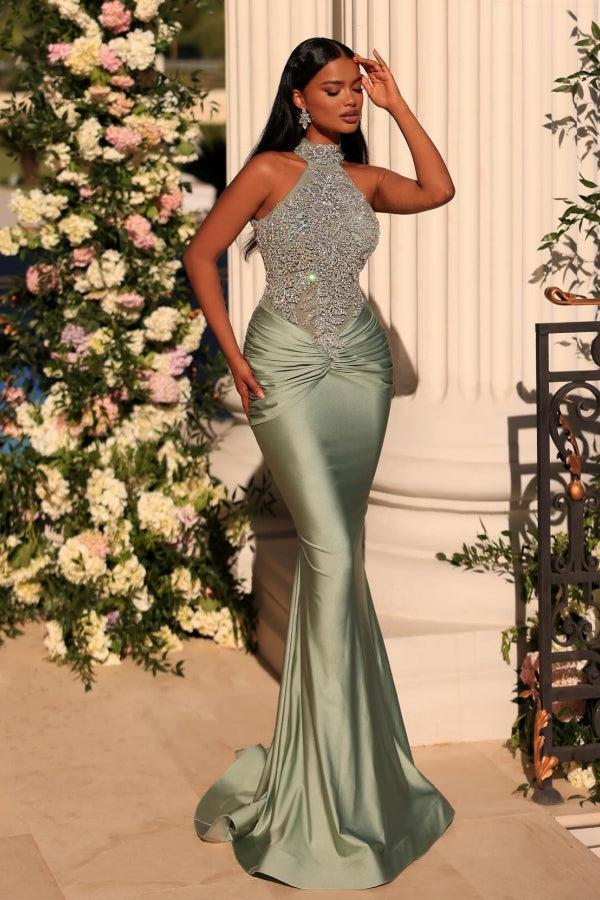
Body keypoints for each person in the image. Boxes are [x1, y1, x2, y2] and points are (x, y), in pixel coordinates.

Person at [183, 36, 456, 891]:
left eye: (355, 89)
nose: (349, 99)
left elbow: (439, 189)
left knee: (346, 551)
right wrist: (232, 358)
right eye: (332, 88)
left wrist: (398, 104)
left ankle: (355, 770)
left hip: (360, 373)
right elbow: (200, 254)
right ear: (298, 97)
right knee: (330, 552)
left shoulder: (365, 180)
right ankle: (324, 787)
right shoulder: (268, 171)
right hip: (287, 371)